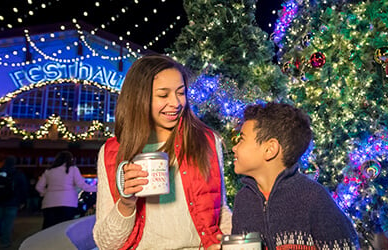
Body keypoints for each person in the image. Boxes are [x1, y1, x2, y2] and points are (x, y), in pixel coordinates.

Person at [92, 54, 231, 250]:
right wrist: (127, 204)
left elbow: (221, 212)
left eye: (181, 93)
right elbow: (106, 243)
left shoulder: (207, 141)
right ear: (139, 97)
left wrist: (232, 243)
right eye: (163, 95)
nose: (175, 103)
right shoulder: (112, 152)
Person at [230, 102, 360, 249]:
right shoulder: (243, 200)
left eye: (242, 139)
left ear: (270, 149)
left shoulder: (313, 197)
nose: (234, 147)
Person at [35, 150, 97, 229]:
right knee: (64, 228)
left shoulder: (49, 171)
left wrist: (46, 193)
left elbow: (39, 187)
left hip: (49, 203)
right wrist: (98, 188)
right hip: (68, 202)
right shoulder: (73, 169)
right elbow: (82, 185)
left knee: (49, 229)